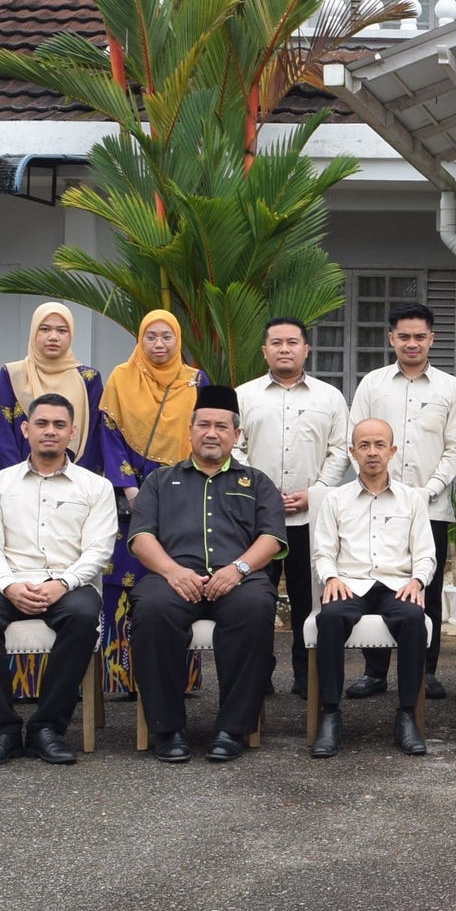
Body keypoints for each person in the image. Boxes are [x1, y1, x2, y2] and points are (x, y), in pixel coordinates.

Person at [125, 385, 287, 763]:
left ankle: (232, 728)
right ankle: (167, 729)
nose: (211, 433)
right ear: (190, 430)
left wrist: (238, 568)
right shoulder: (160, 481)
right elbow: (141, 537)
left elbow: (272, 536)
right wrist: (172, 571)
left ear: (236, 435)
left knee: (254, 610)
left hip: (238, 580)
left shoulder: (256, 482)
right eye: (203, 425)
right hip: (173, 580)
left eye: (221, 426)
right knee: (151, 612)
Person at [0, 393, 116, 765]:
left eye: (59, 425)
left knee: (81, 618)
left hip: (68, 584)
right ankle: (3, 732)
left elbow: (99, 549)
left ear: (73, 433)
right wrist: (9, 585)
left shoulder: (96, 487)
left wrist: (62, 584)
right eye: (42, 424)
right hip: (6, 581)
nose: (50, 431)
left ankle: (47, 729)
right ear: (26, 429)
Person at [347, 301, 456, 699]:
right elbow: (358, 437)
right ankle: (375, 671)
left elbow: (455, 449)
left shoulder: (451, 388)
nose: (412, 343)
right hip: (374, 502)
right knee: (373, 579)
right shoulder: (372, 385)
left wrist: (427, 490)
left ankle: (425, 671)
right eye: (404, 336)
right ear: (391, 338)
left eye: (420, 336)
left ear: (431, 338)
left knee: (424, 588)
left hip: (429, 503)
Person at [236, 316, 351, 697]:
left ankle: (306, 675)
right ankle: (259, 673)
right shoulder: (244, 395)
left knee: (309, 597)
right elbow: (234, 448)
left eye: (292, 342)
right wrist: (260, 494)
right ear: (264, 350)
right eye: (277, 343)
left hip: (311, 516)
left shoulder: (329, 397)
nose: (285, 349)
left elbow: (340, 451)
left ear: (306, 349)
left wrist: (316, 491)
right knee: (254, 599)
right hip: (255, 518)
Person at [308, 418, 436, 759]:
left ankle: (407, 715)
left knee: (412, 619)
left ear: (392, 451)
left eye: (380, 445)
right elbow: (322, 552)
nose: (372, 452)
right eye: (364, 445)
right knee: (330, 618)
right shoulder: (335, 500)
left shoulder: (412, 500)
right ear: (352, 452)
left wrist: (417, 580)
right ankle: (331, 715)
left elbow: (425, 554)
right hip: (350, 585)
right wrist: (331, 578)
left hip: (396, 585)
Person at [98, 309, 208, 698]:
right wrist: (130, 489)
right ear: (140, 340)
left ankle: (180, 677)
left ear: (178, 341)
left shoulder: (195, 380)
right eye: (151, 337)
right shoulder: (120, 378)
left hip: (181, 493)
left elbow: (202, 436)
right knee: (124, 577)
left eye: (167, 337)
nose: (159, 345)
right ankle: (120, 676)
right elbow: (109, 436)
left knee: (176, 575)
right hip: (132, 495)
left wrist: (181, 488)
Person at [0, 302, 103, 475]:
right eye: (45, 329)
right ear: (33, 332)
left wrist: (77, 479)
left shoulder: (88, 379)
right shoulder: (13, 374)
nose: (53, 337)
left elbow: (93, 437)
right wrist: (16, 479)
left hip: (74, 483)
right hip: (19, 481)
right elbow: (0, 433)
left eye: (62, 330)